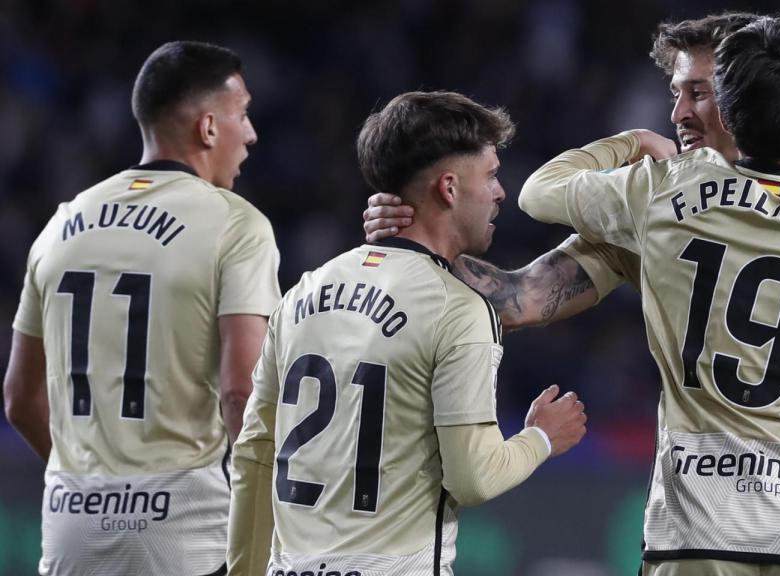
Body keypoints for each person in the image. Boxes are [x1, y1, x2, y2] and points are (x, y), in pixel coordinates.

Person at [364, 11, 780, 562]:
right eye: (675, 93)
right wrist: (418, 237)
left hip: (694, 530)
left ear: (740, 98)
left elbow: (518, 280)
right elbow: (517, 299)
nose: (678, 114)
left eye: (698, 93)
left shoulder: (657, 202)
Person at [226, 91, 587, 576]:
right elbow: (473, 478)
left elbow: (253, 453)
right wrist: (541, 438)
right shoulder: (460, 310)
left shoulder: (302, 294)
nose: (500, 193)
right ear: (449, 188)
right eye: (492, 176)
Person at [2, 41, 280, 574]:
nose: (251, 134)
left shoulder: (59, 226)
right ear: (207, 128)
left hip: (69, 533)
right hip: (182, 541)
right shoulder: (237, 226)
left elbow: (19, 397)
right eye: (242, 115)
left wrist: (87, 485)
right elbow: (241, 391)